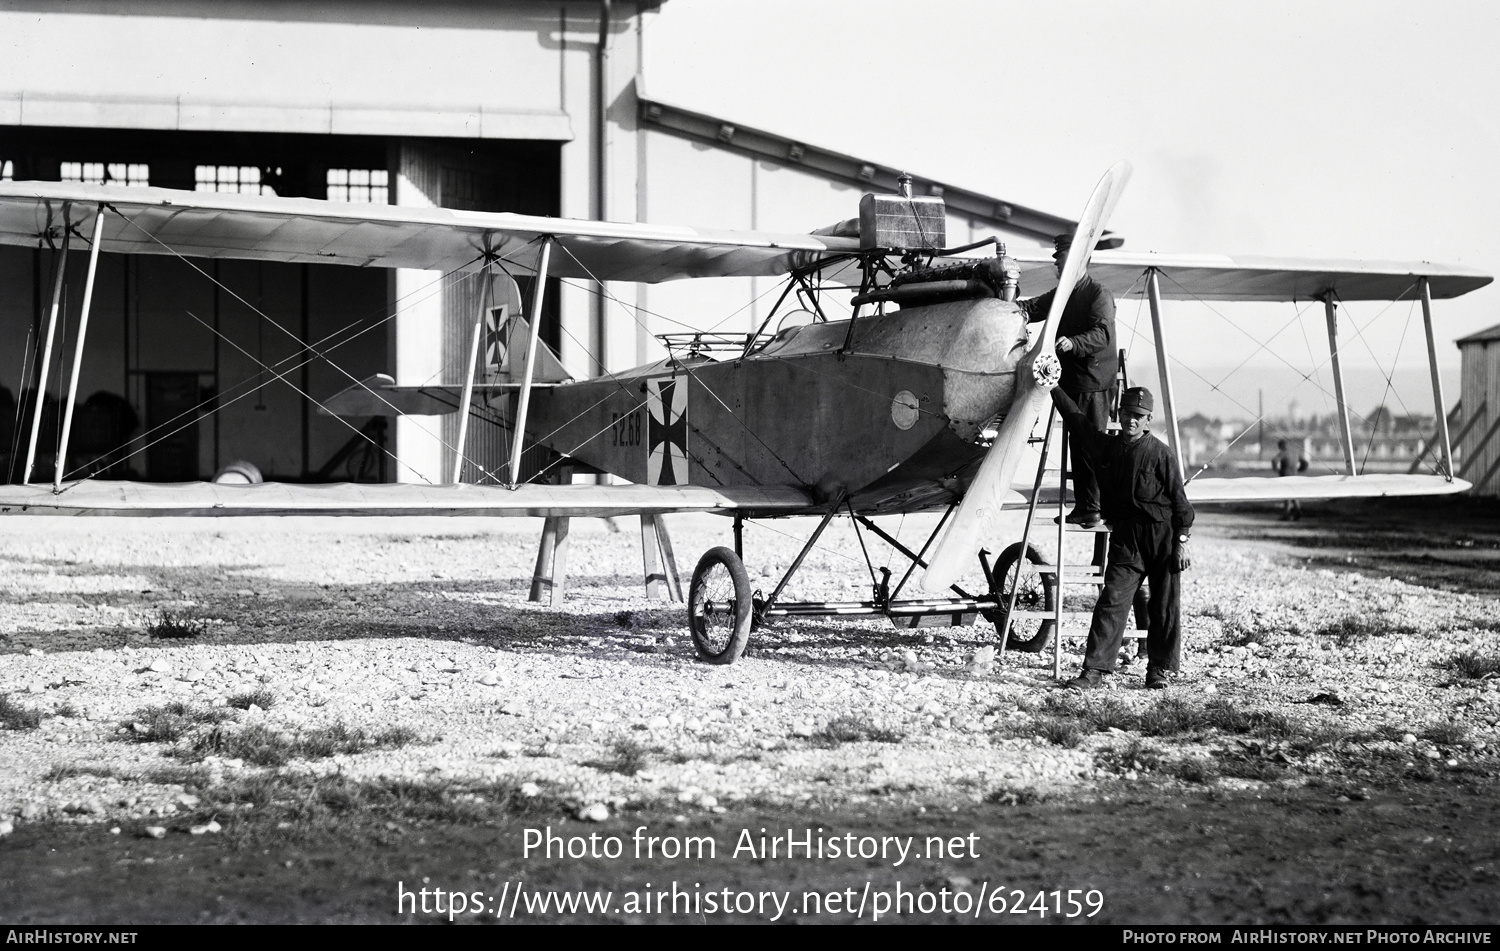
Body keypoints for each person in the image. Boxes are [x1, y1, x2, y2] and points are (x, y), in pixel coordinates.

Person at [1041, 383, 1195, 690]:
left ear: (1149, 419)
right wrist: (1053, 386)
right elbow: (1078, 421)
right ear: (1118, 413)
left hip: (1161, 537)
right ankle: (1094, 671)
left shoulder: (1161, 455)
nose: (1131, 420)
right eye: (1126, 413)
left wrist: (1181, 542)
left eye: (1138, 415)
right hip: (1126, 539)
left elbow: (1181, 504)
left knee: (1164, 605)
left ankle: (1158, 670)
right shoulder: (1107, 447)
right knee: (1111, 600)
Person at [1020, 233, 1118, 529]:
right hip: (1074, 381)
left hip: (1094, 382)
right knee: (1080, 441)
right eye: (1058, 263)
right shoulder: (1063, 295)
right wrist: (1014, 308)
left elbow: (1103, 334)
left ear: (1080, 261)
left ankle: (1094, 507)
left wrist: (1073, 343)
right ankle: (1087, 507)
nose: (1058, 268)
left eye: (1062, 262)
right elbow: (1034, 308)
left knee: (1090, 443)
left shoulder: (1098, 293)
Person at [1271, 438, 1308, 520]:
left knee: (1287, 495)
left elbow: (1274, 460)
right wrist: (1301, 469)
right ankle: (1298, 511)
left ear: (1281, 446)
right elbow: (1305, 463)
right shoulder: (1296, 452)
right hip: (1295, 475)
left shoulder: (1283, 452)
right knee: (1294, 494)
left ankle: (1286, 514)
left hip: (1286, 475)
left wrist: (1276, 469)